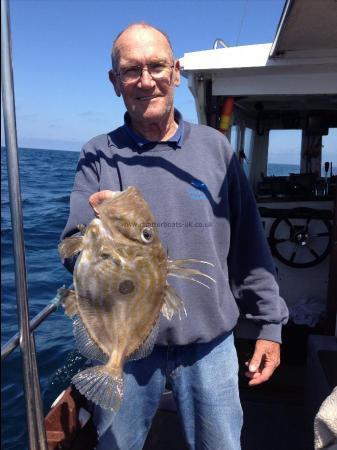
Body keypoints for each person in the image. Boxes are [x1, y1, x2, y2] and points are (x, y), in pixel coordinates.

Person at [61, 22, 289, 450]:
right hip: (124, 352)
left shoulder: (217, 149)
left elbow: (248, 247)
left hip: (211, 347)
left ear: (177, 72)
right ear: (115, 82)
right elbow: (72, 244)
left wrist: (269, 325)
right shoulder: (98, 152)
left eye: (157, 66)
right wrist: (97, 241)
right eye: (131, 70)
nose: (146, 80)